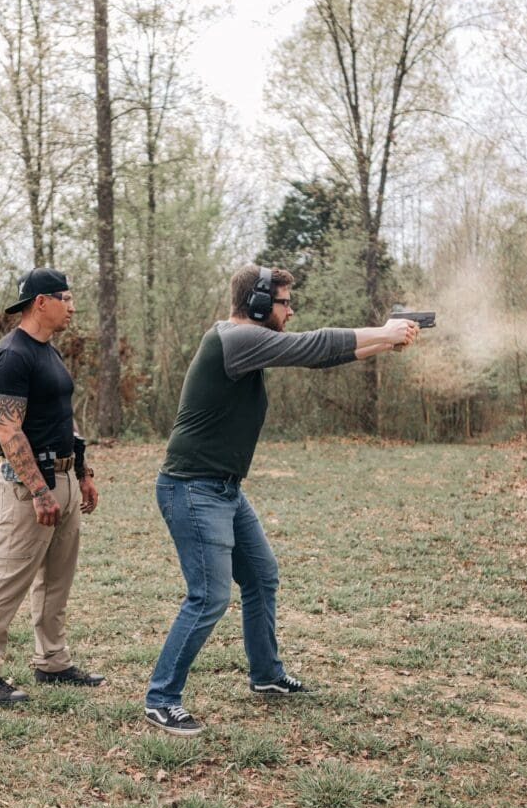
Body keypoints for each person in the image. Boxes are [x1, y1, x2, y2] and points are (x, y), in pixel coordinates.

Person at [144, 265, 419, 735]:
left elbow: (319, 357)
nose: (290, 311)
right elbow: (312, 346)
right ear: (255, 304)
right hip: (193, 488)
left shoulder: (244, 342)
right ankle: (161, 697)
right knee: (208, 596)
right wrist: (382, 330)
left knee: (261, 576)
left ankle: (266, 675)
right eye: (284, 302)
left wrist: (383, 343)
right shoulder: (235, 339)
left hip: (222, 487)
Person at [0, 268, 105, 705]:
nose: (73, 306)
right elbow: (8, 430)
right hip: (29, 487)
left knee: (57, 580)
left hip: (63, 478)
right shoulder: (12, 355)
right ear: (41, 301)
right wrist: (40, 490)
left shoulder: (50, 353)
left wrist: (83, 472)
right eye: (66, 297)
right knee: (9, 577)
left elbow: (64, 417)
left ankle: (53, 662)